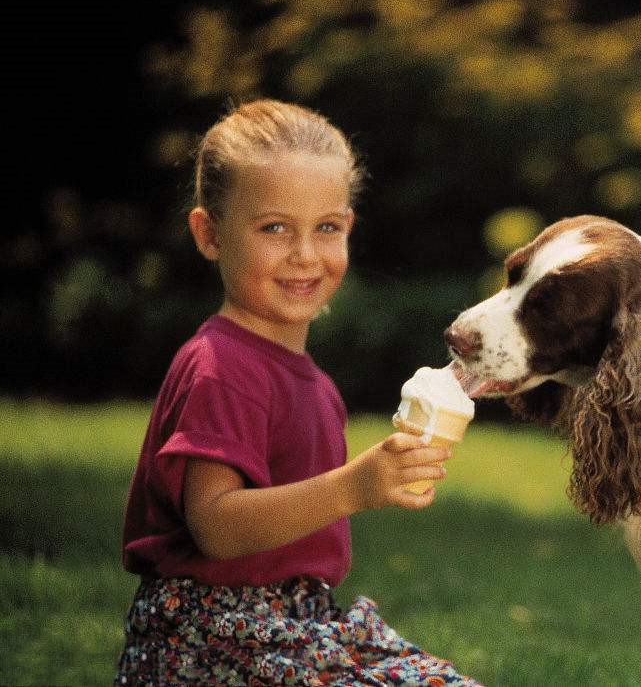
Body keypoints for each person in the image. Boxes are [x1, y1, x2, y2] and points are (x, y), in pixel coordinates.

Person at [116, 99, 480, 686]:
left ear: (349, 229)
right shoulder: (222, 366)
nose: (306, 254)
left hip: (301, 623)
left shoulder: (315, 383)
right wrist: (353, 487)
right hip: (215, 636)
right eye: (274, 228)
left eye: (327, 228)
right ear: (210, 234)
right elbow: (216, 526)